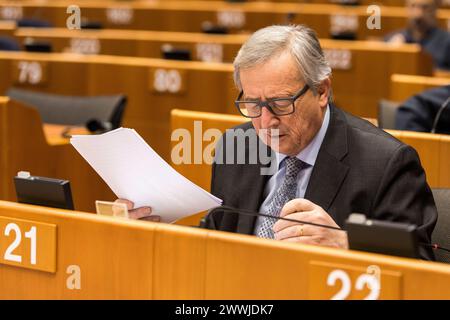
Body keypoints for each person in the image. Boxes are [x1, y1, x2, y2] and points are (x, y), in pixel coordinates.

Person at [118, 25, 437, 260]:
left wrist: (345, 245)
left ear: (322, 91)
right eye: (253, 104)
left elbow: (422, 273)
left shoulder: (386, 163)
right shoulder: (236, 146)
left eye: (281, 103)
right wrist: (156, 229)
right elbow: (217, 241)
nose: (266, 121)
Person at [385, 0, 450, 70]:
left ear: (435, 9)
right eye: (413, 6)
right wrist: (392, 53)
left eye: (425, 7)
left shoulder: (447, 42)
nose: (418, 14)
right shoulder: (391, 40)